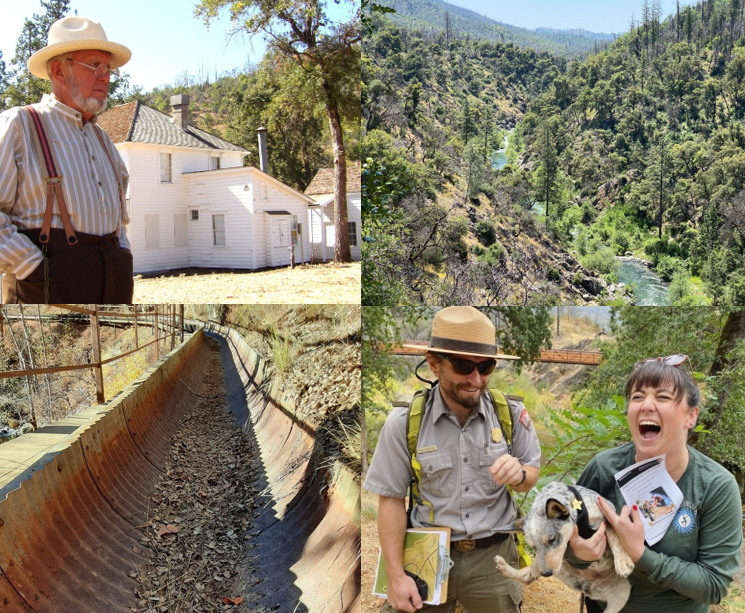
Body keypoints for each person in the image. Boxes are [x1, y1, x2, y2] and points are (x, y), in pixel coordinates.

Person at [364, 306, 542, 613]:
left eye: (485, 367)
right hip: (425, 555)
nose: (476, 379)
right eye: (463, 366)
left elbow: (531, 475)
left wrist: (519, 474)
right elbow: (390, 500)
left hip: (494, 561)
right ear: (434, 364)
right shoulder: (405, 424)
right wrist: (395, 575)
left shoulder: (511, 415)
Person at [568, 355, 743, 613]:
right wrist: (578, 554)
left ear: (691, 416)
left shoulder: (717, 486)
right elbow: (563, 542)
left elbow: (714, 585)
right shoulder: (604, 468)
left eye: (662, 397)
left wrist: (640, 555)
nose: (646, 405)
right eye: (637, 397)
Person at [0, 16, 133, 303]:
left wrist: (122, 251)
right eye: (94, 65)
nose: (105, 76)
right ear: (59, 71)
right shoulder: (20, 125)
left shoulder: (103, 139)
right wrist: (30, 265)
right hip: (44, 289)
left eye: (108, 68)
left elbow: (120, 220)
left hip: (115, 288)